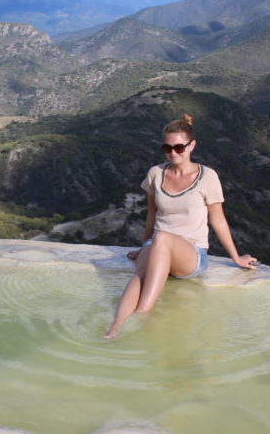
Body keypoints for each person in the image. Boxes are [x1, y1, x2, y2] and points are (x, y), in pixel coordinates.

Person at [104, 113, 259, 339]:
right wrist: (141, 249)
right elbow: (152, 214)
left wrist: (236, 257)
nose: (173, 153)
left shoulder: (208, 177)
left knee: (162, 238)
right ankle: (115, 326)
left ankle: (142, 314)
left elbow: (218, 219)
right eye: (166, 148)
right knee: (141, 272)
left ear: (191, 145)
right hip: (156, 244)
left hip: (191, 252)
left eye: (178, 147)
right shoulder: (155, 174)